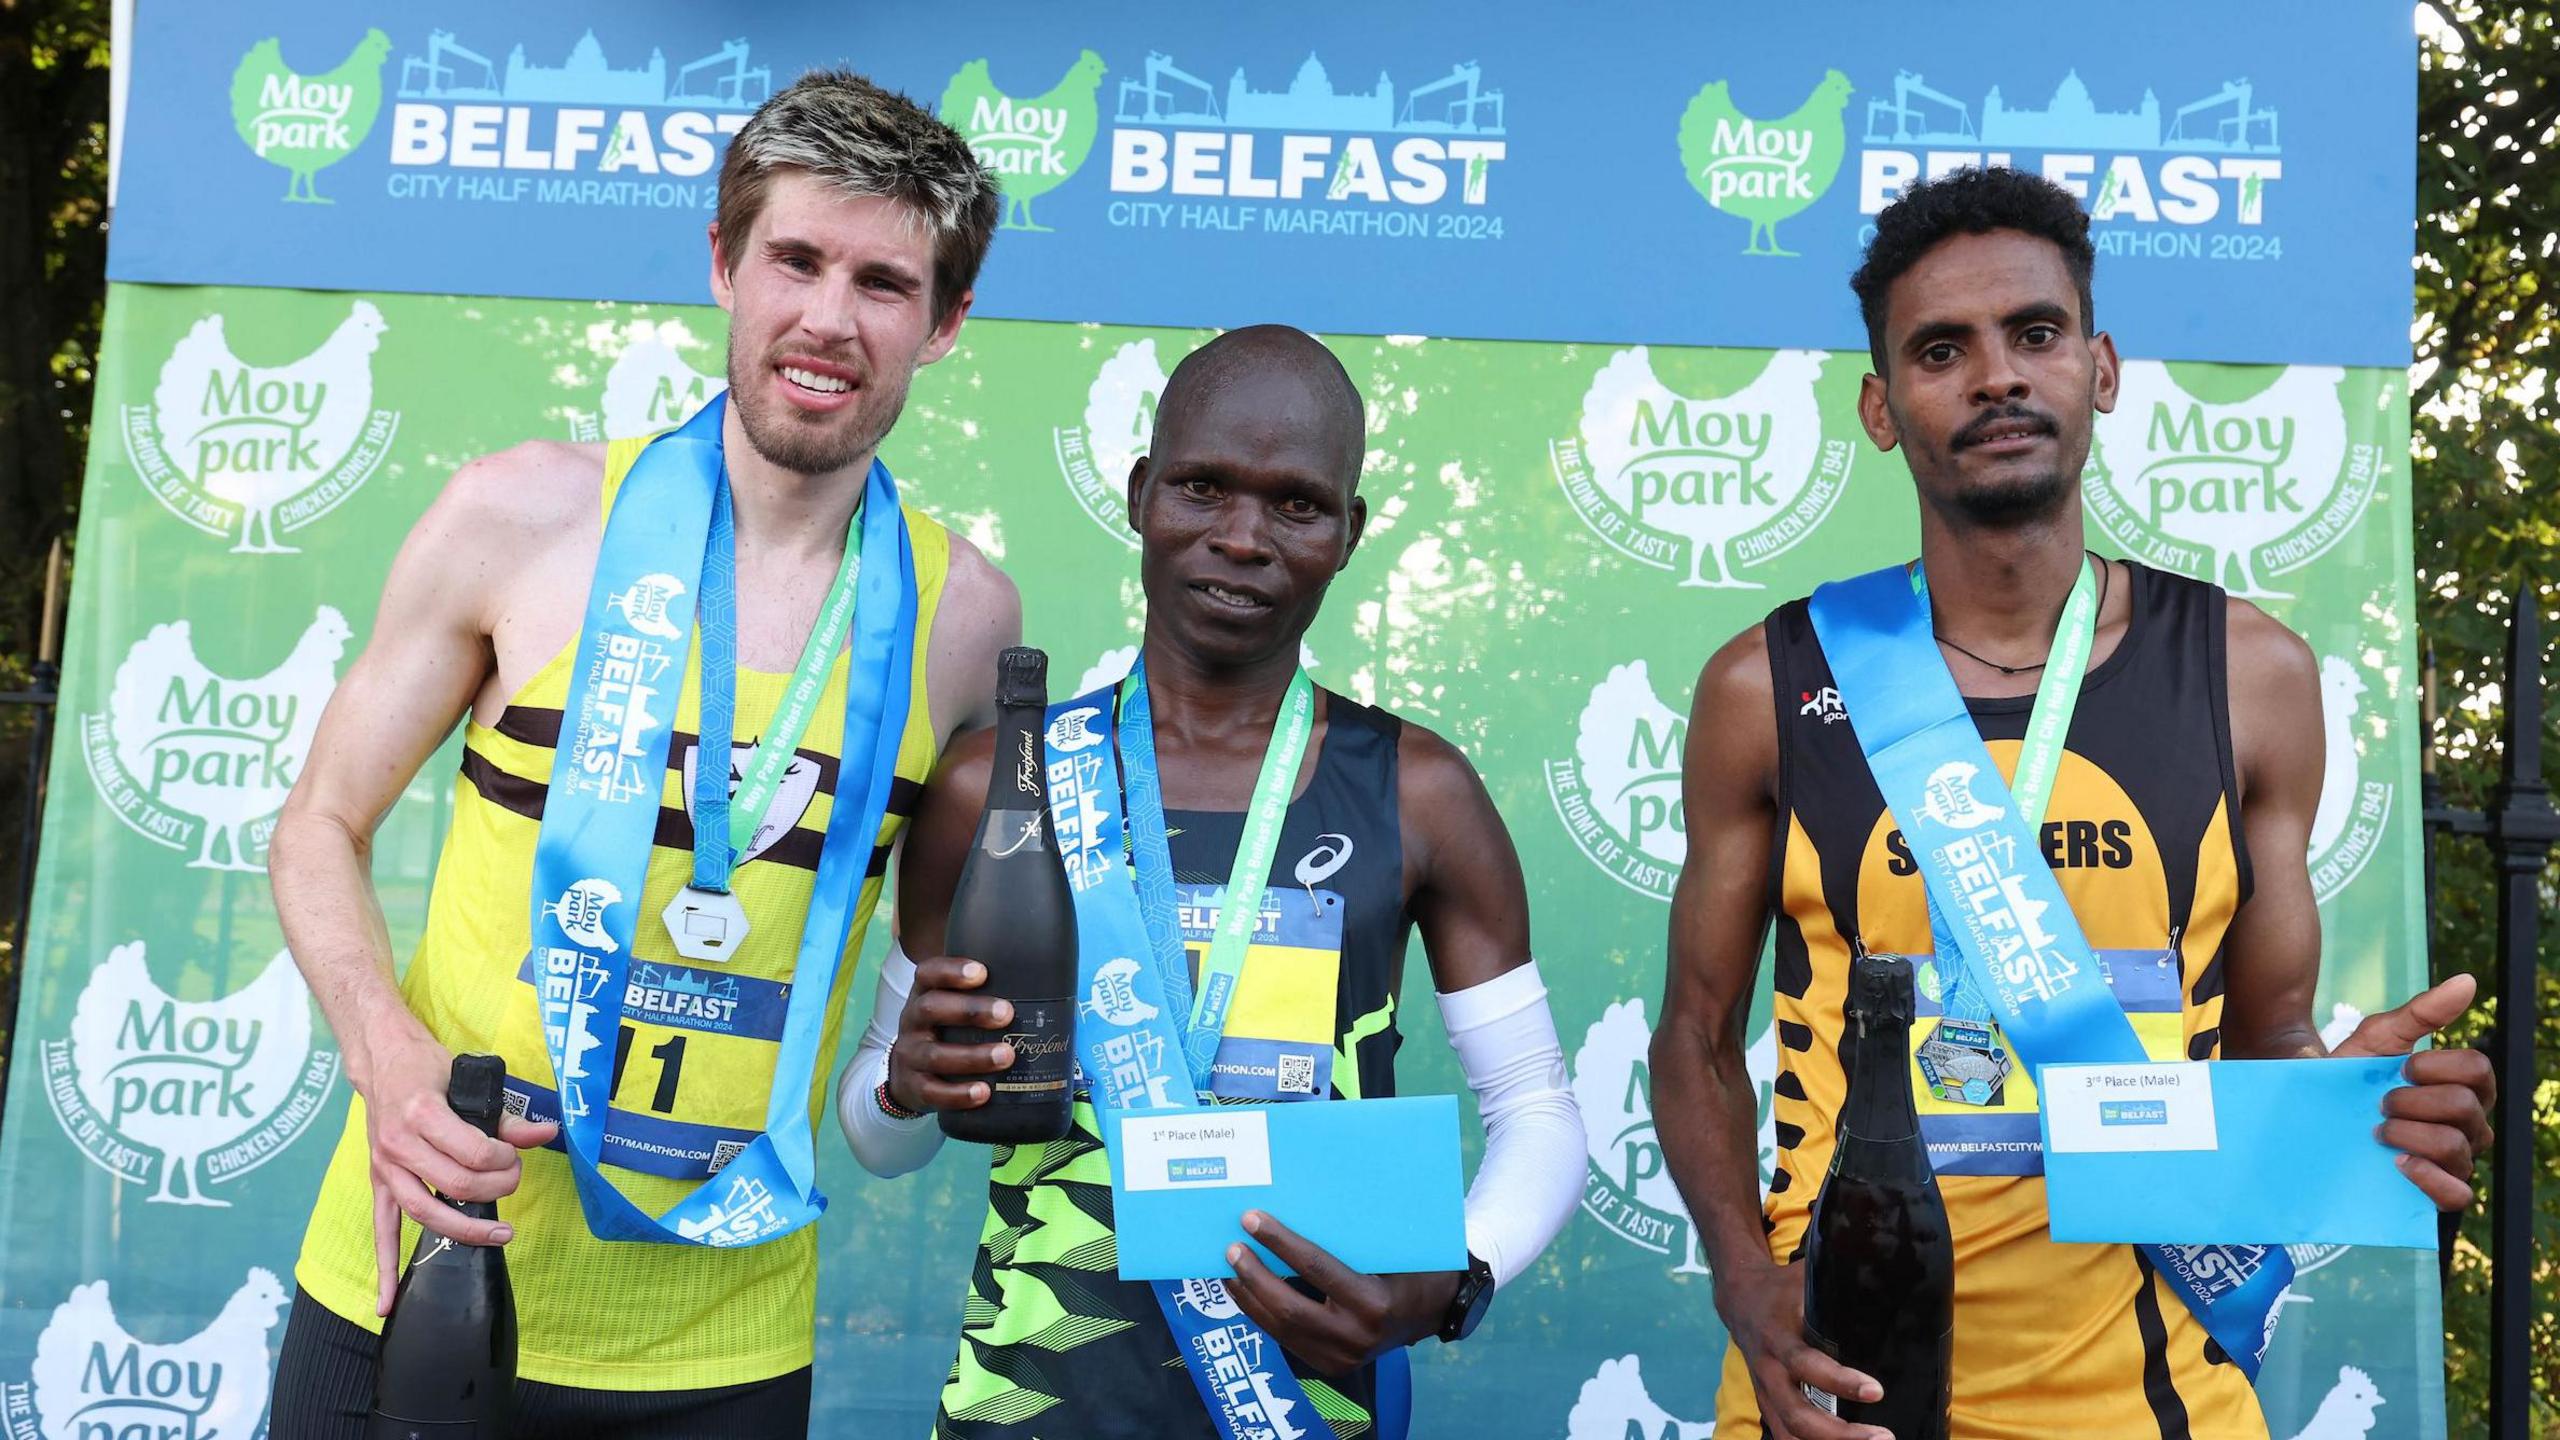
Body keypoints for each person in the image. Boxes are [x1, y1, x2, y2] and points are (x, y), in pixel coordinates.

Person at [1648, 167, 2495, 1440]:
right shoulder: (1764, 686)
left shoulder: (2249, 675)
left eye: (2032, 334)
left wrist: (2349, 1113)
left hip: (2154, 1401)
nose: (1995, 376)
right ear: (1882, 408)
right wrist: (1742, 1281)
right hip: (1831, 1392)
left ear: (2098, 367)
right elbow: (1694, 1034)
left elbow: (2267, 1041)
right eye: (1942, 350)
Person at [266, 71, 1020, 1435]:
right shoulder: (522, 514)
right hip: (419, 1285)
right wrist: (384, 1050)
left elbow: (908, 1027)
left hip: (719, 1352)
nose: (827, 320)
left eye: (883, 283)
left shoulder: (964, 616)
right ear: (724, 263)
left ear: (949, 320)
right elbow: (318, 821)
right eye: (794, 259)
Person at [839, 325, 1586, 1439]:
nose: (1241, 538)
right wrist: (905, 1086)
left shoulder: (1416, 791)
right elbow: (876, 1137)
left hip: (1303, 1407)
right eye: (1201, 487)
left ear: (1348, 534)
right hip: (1027, 1405)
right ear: (1141, 496)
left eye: (1295, 504)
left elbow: (1536, 1110)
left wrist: (1455, 1276)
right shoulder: (998, 785)